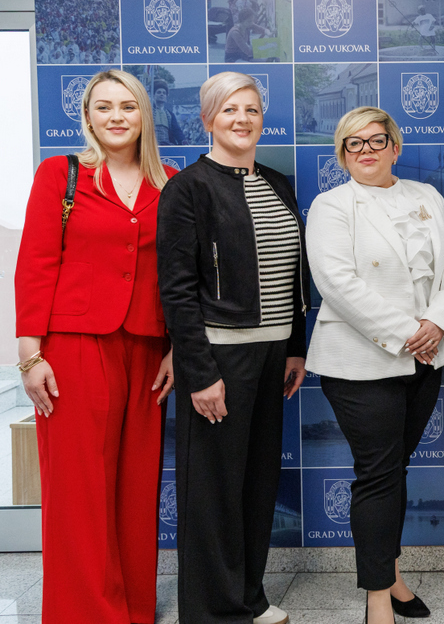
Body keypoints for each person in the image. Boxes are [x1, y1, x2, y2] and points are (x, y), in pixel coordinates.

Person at [15, 69, 175, 624]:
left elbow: (182, 274)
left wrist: (179, 348)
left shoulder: (170, 183)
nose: (116, 117)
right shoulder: (60, 175)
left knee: (136, 487)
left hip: (149, 348)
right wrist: (31, 355)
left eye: (127, 106)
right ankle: (84, 614)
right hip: (74, 347)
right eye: (103, 107)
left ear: (144, 116)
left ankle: (133, 609)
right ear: (87, 117)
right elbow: (35, 264)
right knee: (78, 490)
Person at [305, 106, 444, 624]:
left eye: (376, 140)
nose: (366, 150)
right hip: (360, 362)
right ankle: (378, 599)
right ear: (342, 155)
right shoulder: (331, 206)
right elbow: (337, 283)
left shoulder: (426, 195)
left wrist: (439, 321)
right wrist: (409, 333)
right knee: (378, 474)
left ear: (395, 148)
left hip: (426, 357)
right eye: (353, 143)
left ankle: (392, 575)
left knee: (394, 470)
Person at [157, 71, 309, 624]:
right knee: (214, 489)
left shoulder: (278, 182)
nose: (242, 119)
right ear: (207, 119)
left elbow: (293, 274)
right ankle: (212, 612)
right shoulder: (187, 188)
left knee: (256, 482)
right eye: (229, 110)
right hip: (220, 357)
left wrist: (295, 347)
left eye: (251, 109)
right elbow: (176, 291)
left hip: (273, 354)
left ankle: (248, 597)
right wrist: (199, 373)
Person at [152, 78, 186, 146]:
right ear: (154, 95)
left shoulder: (170, 114)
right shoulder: (147, 112)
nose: (162, 94)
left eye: (164, 93)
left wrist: (183, 141)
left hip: (167, 145)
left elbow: (177, 130)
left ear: (166, 97)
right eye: (159, 92)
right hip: (151, 145)